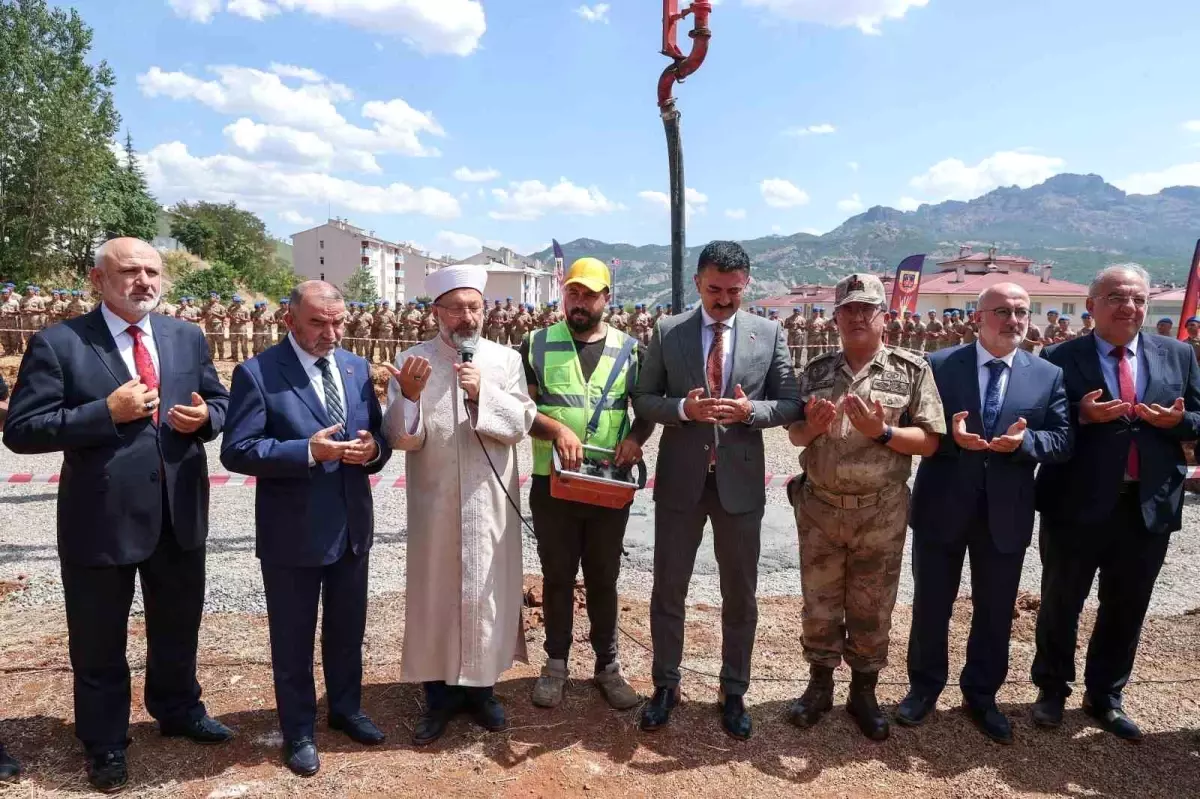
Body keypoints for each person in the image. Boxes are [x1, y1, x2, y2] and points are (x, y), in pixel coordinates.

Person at [3, 238, 232, 792]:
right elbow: (22, 431)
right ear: (98, 279)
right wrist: (104, 413)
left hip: (178, 514)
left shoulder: (186, 336)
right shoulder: (59, 343)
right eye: (130, 271)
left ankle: (177, 709)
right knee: (99, 638)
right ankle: (105, 741)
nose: (144, 282)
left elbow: (220, 403)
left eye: (153, 271)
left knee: (178, 625)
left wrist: (204, 418)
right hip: (100, 520)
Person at [220, 281, 392, 777]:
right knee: (293, 640)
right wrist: (305, 452)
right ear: (289, 320)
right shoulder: (257, 373)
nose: (331, 332)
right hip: (292, 533)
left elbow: (376, 435)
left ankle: (345, 710)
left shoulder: (357, 368)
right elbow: (238, 449)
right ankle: (297, 730)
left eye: (338, 322)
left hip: (352, 526)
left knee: (347, 631)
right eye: (319, 322)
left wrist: (373, 451)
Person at [632, 241, 802, 740]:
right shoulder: (669, 332)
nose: (724, 300)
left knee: (740, 595)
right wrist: (683, 410)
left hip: (740, 484)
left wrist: (753, 413)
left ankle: (734, 691)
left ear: (746, 284)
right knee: (668, 590)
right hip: (682, 482)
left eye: (733, 291)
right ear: (697, 284)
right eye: (714, 290)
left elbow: (791, 403)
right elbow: (643, 398)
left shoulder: (768, 333)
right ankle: (665, 686)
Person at [1031, 265, 1200, 742]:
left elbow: (1198, 416)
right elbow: (1043, 421)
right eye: (1117, 298)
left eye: (1139, 299)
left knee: (1126, 606)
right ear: (1092, 306)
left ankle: (1105, 695)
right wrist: (1080, 415)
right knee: (1062, 601)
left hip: (1147, 505)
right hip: (1076, 502)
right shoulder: (1058, 356)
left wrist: (1177, 424)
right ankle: (1051, 690)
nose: (1130, 307)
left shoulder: (1179, 354)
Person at [901, 283, 1072, 744]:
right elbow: (914, 428)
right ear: (979, 318)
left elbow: (1061, 439)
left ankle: (981, 694)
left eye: (1021, 311)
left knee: (996, 611)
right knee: (931, 604)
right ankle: (923, 688)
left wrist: (1026, 444)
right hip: (943, 505)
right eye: (1002, 311)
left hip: (1006, 513)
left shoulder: (1047, 374)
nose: (1013, 320)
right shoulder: (937, 366)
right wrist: (947, 436)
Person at [381, 264, 537, 746]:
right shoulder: (412, 360)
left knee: (487, 593)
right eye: (456, 308)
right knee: (437, 592)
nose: (467, 317)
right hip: (436, 503)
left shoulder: (505, 360)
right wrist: (408, 396)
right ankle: (438, 695)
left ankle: (482, 690)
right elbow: (402, 439)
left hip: (489, 503)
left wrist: (481, 392)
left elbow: (519, 424)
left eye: (474, 307)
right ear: (437, 312)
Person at [785, 273, 944, 742]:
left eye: (866, 309)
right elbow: (794, 435)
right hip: (820, 508)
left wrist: (884, 433)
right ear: (834, 318)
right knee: (819, 604)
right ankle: (819, 687)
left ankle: (864, 691)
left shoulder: (911, 370)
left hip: (881, 511)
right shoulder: (815, 371)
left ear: (884, 317)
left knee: (872, 607)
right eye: (847, 309)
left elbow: (932, 442)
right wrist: (811, 428)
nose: (857, 317)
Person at [521, 258, 654, 711]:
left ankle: (607, 667)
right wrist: (557, 431)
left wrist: (635, 439)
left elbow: (646, 411)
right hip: (553, 484)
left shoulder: (631, 350)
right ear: (564, 294)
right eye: (573, 293)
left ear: (606, 298)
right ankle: (555, 665)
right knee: (557, 577)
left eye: (589, 295)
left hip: (607, 486)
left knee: (603, 577)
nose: (579, 303)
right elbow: (521, 409)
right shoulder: (535, 344)